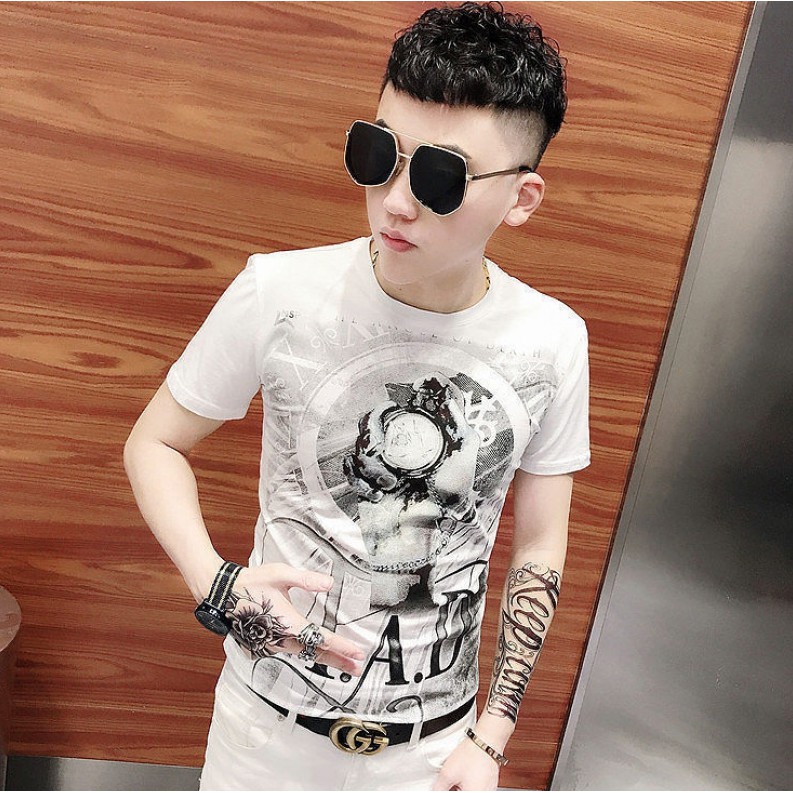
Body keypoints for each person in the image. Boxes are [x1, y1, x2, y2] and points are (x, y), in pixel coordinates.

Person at [124, 2, 589, 790]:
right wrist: (217, 583)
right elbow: (155, 442)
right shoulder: (279, 291)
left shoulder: (551, 339)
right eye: (379, 154)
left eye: (440, 176)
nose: (397, 200)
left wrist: (491, 737)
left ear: (521, 198)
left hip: (431, 752)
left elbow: (539, 546)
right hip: (263, 734)